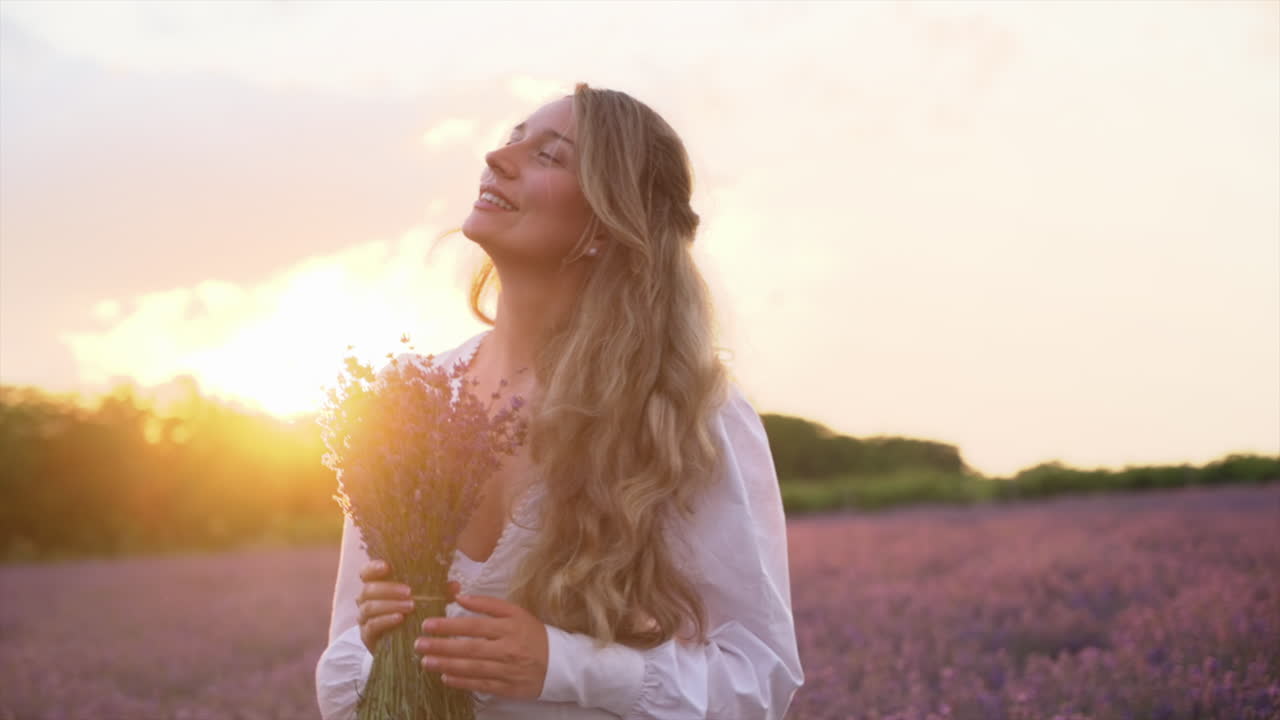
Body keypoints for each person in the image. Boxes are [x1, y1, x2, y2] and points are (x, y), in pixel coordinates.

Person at [315, 82, 804, 719]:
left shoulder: (681, 411)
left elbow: (759, 680)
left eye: (548, 156)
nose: (498, 157)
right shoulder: (405, 406)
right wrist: (379, 641)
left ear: (605, 223)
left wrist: (562, 665)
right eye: (512, 138)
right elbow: (343, 670)